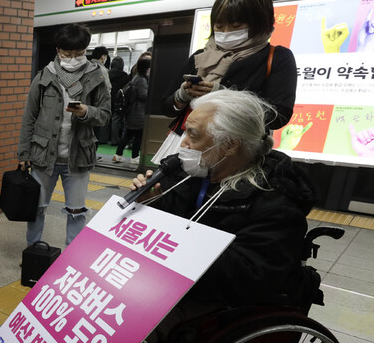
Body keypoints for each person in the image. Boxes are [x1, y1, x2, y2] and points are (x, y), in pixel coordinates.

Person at [131, 90, 314, 309]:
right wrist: (151, 204)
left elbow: (251, 278)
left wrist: (171, 244)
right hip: (161, 286)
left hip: (211, 306)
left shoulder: (275, 201)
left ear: (229, 145)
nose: (183, 144)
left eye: (193, 134)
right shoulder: (187, 175)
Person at [159, 0, 296, 158]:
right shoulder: (201, 56)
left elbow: (279, 115)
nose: (225, 32)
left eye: (236, 26)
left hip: (236, 151)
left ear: (258, 23)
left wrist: (223, 95)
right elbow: (166, 107)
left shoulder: (277, 57)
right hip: (185, 141)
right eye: (219, 26)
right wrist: (182, 96)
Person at [17, 23, 111, 247]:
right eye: (67, 53)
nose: (73, 58)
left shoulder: (97, 76)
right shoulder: (44, 75)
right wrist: (24, 153)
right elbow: (29, 116)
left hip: (78, 156)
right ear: (58, 50)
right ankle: (33, 250)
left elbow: (105, 114)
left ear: (86, 50)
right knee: (37, 208)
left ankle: (71, 257)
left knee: (77, 211)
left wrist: (86, 112)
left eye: (79, 53)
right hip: (42, 156)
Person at [113, 55, 150, 164]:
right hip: (138, 112)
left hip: (132, 112)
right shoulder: (142, 80)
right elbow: (143, 95)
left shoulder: (136, 77)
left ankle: (118, 155)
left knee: (128, 134)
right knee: (138, 135)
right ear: (147, 68)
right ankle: (134, 157)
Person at [102, 56, 130, 145]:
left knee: (106, 119)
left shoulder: (107, 74)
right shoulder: (125, 76)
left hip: (107, 98)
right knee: (116, 119)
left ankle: (103, 139)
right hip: (119, 101)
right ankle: (115, 140)